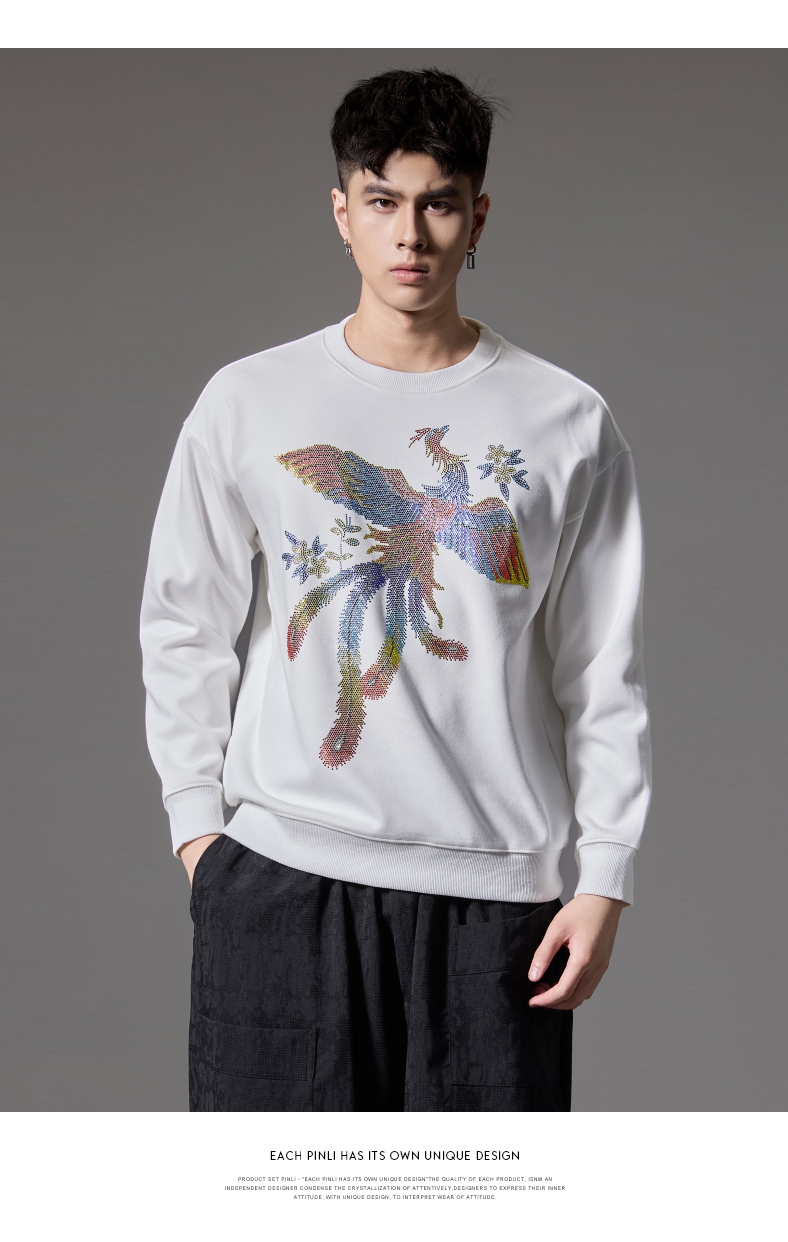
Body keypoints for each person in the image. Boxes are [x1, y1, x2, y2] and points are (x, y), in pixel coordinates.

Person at [140, 68, 651, 1112]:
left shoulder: (565, 421)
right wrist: (199, 830)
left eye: (438, 204)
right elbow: (183, 621)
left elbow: (602, 668)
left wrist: (605, 873)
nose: (409, 235)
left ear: (477, 217)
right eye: (382, 202)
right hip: (280, 882)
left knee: (479, 1192)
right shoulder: (248, 401)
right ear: (342, 213)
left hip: (492, 902)